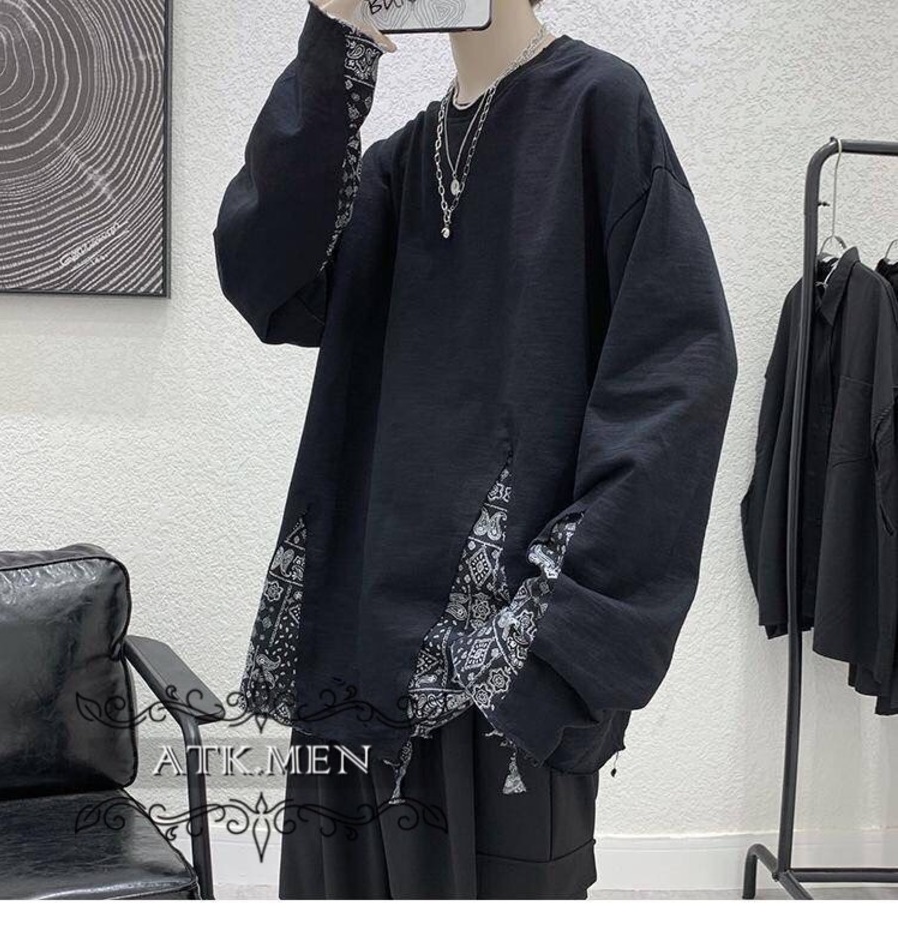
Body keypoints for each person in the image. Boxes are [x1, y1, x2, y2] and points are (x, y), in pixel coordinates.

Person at [213, 0, 738, 899]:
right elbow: (268, 281)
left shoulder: (599, 105)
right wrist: (335, 44)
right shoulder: (396, 164)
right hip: (352, 656)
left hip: (499, 670)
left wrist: (558, 633)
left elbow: (676, 375)